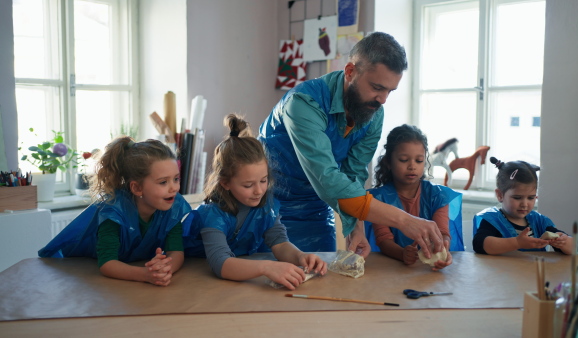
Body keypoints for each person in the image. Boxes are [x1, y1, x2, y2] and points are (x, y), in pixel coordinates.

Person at [258, 32, 443, 257]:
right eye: (377, 87)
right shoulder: (303, 104)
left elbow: (353, 175)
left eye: (389, 91)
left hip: (316, 210)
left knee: (319, 278)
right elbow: (328, 179)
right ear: (350, 71)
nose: (383, 99)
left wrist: (356, 228)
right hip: (267, 208)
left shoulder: (374, 113)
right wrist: (404, 221)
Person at [183, 114, 328, 290]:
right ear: (225, 183)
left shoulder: (265, 206)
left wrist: (300, 256)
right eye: (248, 185)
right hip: (196, 279)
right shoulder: (212, 214)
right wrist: (266, 267)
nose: (259, 191)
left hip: (241, 277)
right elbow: (221, 264)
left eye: (263, 180)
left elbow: (280, 243)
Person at [39, 137, 191, 286]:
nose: (174, 188)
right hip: (75, 267)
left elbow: (176, 251)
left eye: (176, 179)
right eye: (163, 182)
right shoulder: (113, 212)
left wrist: (165, 268)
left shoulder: (173, 206)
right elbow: (107, 263)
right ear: (137, 188)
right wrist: (145, 274)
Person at [364, 125, 462, 270]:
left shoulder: (438, 196)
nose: (412, 166)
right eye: (403, 160)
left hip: (426, 272)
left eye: (419, 160)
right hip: (391, 269)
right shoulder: (378, 200)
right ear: (388, 162)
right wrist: (402, 253)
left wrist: (443, 247)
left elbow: (442, 233)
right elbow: (383, 239)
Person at [472, 157, 573, 255]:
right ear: (500, 195)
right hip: (502, 271)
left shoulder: (539, 222)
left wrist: (563, 243)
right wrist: (517, 243)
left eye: (531, 198)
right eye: (517, 197)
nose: (524, 204)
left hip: (533, 271)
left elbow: (574, 248)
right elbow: (479, 244)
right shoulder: (492, 220)